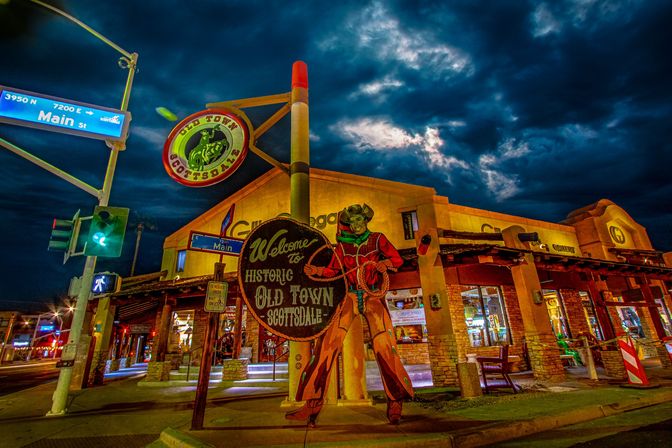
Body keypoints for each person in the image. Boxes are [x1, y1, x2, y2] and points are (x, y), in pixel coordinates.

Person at [285, 204, 414, 425]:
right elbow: (335, 271)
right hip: (350, 296)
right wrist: (316, 271)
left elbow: (397, 260)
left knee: (385, 346)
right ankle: (312, 404)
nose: (356, 225)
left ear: (366, 221)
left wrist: (384, 264)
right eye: (352, 221)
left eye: (359, 220)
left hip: (372, 296)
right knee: (326, 346)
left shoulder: (377, 239)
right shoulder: (341, 247)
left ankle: (395, 401)